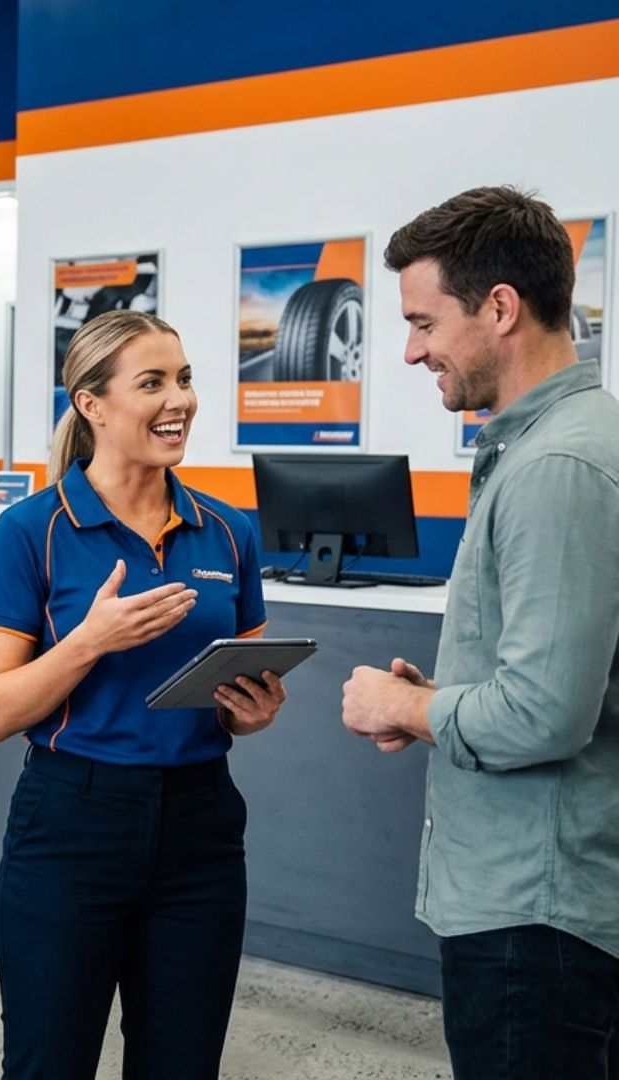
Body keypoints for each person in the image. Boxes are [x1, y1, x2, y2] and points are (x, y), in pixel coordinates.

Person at [341, 186, 619, 1078]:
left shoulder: (557, 465)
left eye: (424, 321)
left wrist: (406, 707)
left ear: (500, 307)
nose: (412, 348)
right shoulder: (559, 445)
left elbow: (543, 714)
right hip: (540, 906)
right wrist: (439, 699)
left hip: (536, 919)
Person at [0, 310, 287, 1079]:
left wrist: (254, 713)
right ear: (92, 405)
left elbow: (239, 684)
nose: (178, 399)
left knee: (181, 1065)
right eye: (151, 383)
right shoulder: (31, 531)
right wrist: (89, 641)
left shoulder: (227, 531)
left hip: (200, 829)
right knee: (51, 1063)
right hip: (71, 825)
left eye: (183, 379)